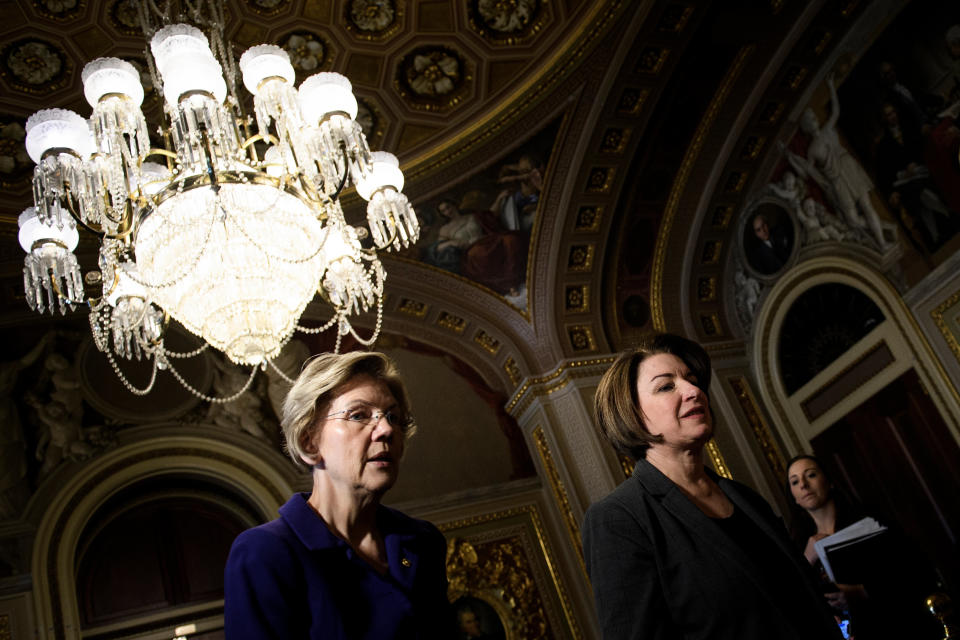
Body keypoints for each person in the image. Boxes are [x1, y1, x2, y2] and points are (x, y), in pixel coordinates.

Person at [581, 333, 842, 640]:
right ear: (633, 416)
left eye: (692, 380)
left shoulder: (746, 499)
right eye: (666, 386)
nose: (694, 390)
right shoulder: (619, 519)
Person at [224, 351, 455, 638]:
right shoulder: (265, 552)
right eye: (358, 415)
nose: (386, 430)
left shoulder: (422, 541)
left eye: (393, 417)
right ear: (310, 442)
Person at [786, 455, 941, 640]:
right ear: (794, 497)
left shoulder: (871, 525)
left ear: (829, 481)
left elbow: (918, 573)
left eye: (810, 475)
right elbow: (793, 600)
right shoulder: (798, 546)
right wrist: (807, 558)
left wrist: (863, 592)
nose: (803, 484)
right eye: (794, 482)